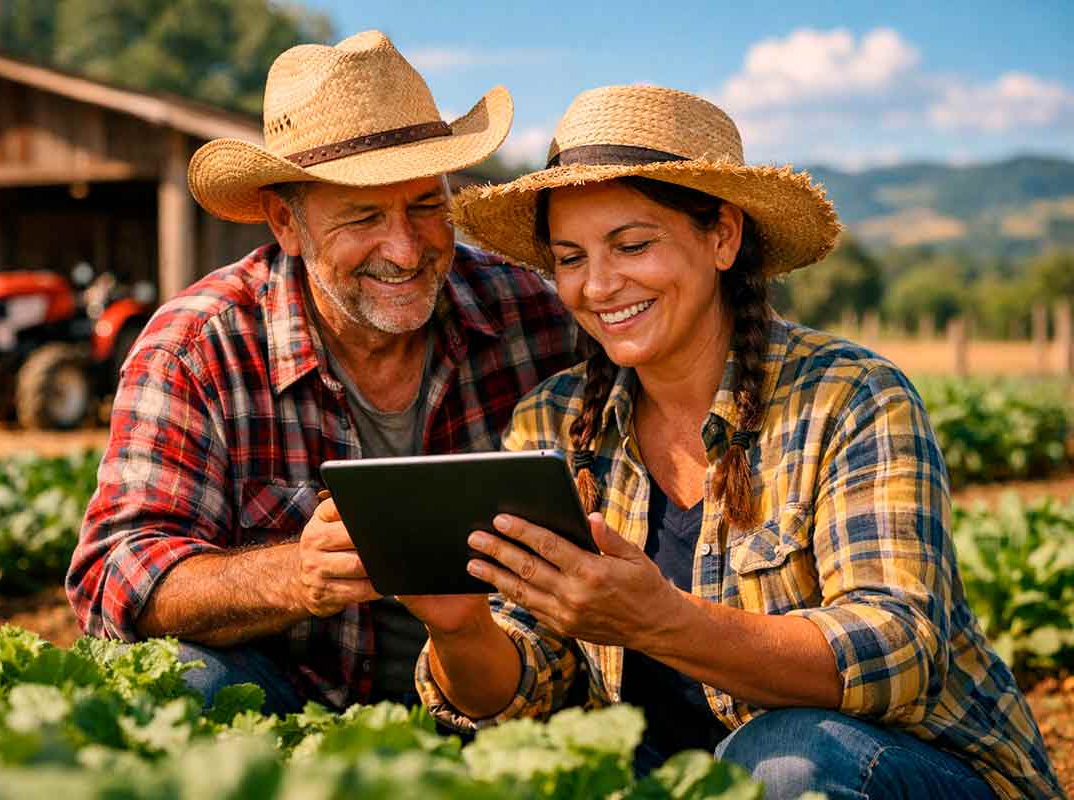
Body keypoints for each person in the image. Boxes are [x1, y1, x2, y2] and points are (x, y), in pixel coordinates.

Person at [405, 85, 1062, 799]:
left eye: (632, 245)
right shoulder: (554, 422)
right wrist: (461, 631)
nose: (598, 285)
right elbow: (523, 691)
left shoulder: (851, 397)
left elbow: (896, 651)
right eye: (570, 258)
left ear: (722, 236)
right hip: (686, 781)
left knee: (781, 760)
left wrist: (662, 622)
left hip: (907, 771)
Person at [65, 31, 580, 716]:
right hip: (304, 711)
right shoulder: (195, 350)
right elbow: (113, 576)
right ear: (286, 222)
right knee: (187, 683)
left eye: (427, 206)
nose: (405, 249)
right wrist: (294, 575)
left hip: (513, 699)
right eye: (364, 216)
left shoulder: (533, 314)